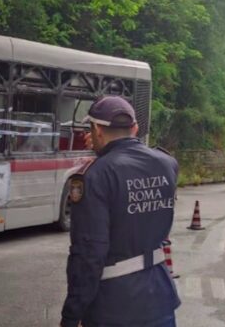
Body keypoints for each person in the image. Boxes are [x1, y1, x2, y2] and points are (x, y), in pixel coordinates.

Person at [60, 96, 180, 327]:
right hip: (160, 298)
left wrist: (71, 315)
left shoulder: (95, 176)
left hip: (114, 308)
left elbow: (88, 255)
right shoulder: (167, 163)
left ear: (96, 129)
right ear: (135, 128)